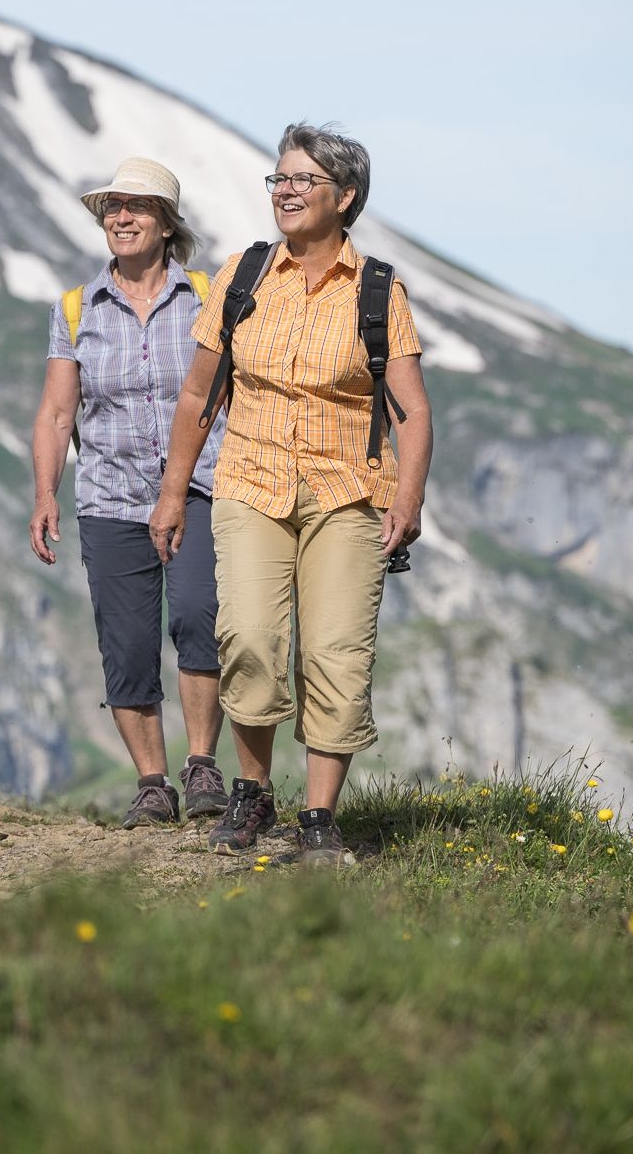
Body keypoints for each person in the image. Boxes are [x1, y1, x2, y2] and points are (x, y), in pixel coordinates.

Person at [150, 123, 432, 866]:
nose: (285, 190)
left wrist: (408, 497)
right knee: (245, 635)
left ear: (344, 197)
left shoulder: (378, 291)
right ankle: (250, 792)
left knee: (335, 651)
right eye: (278, 178)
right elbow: (196, 394)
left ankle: (317, 816)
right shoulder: (243, 277)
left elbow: (412, 408)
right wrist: (172, 494)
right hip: (249, 481)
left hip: (347, 492)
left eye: (302, 180)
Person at [30, 157, 230, 829]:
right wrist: (44, 492)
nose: (120, 217)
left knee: (199, 615)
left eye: (136, 206)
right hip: (109, 496)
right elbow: (58, 414)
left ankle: (200, 763)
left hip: (201, 484)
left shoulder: (206, 295)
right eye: (111, 207)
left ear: (165, 223)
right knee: (127, 641)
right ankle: (151, 781)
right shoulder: (75, 308)